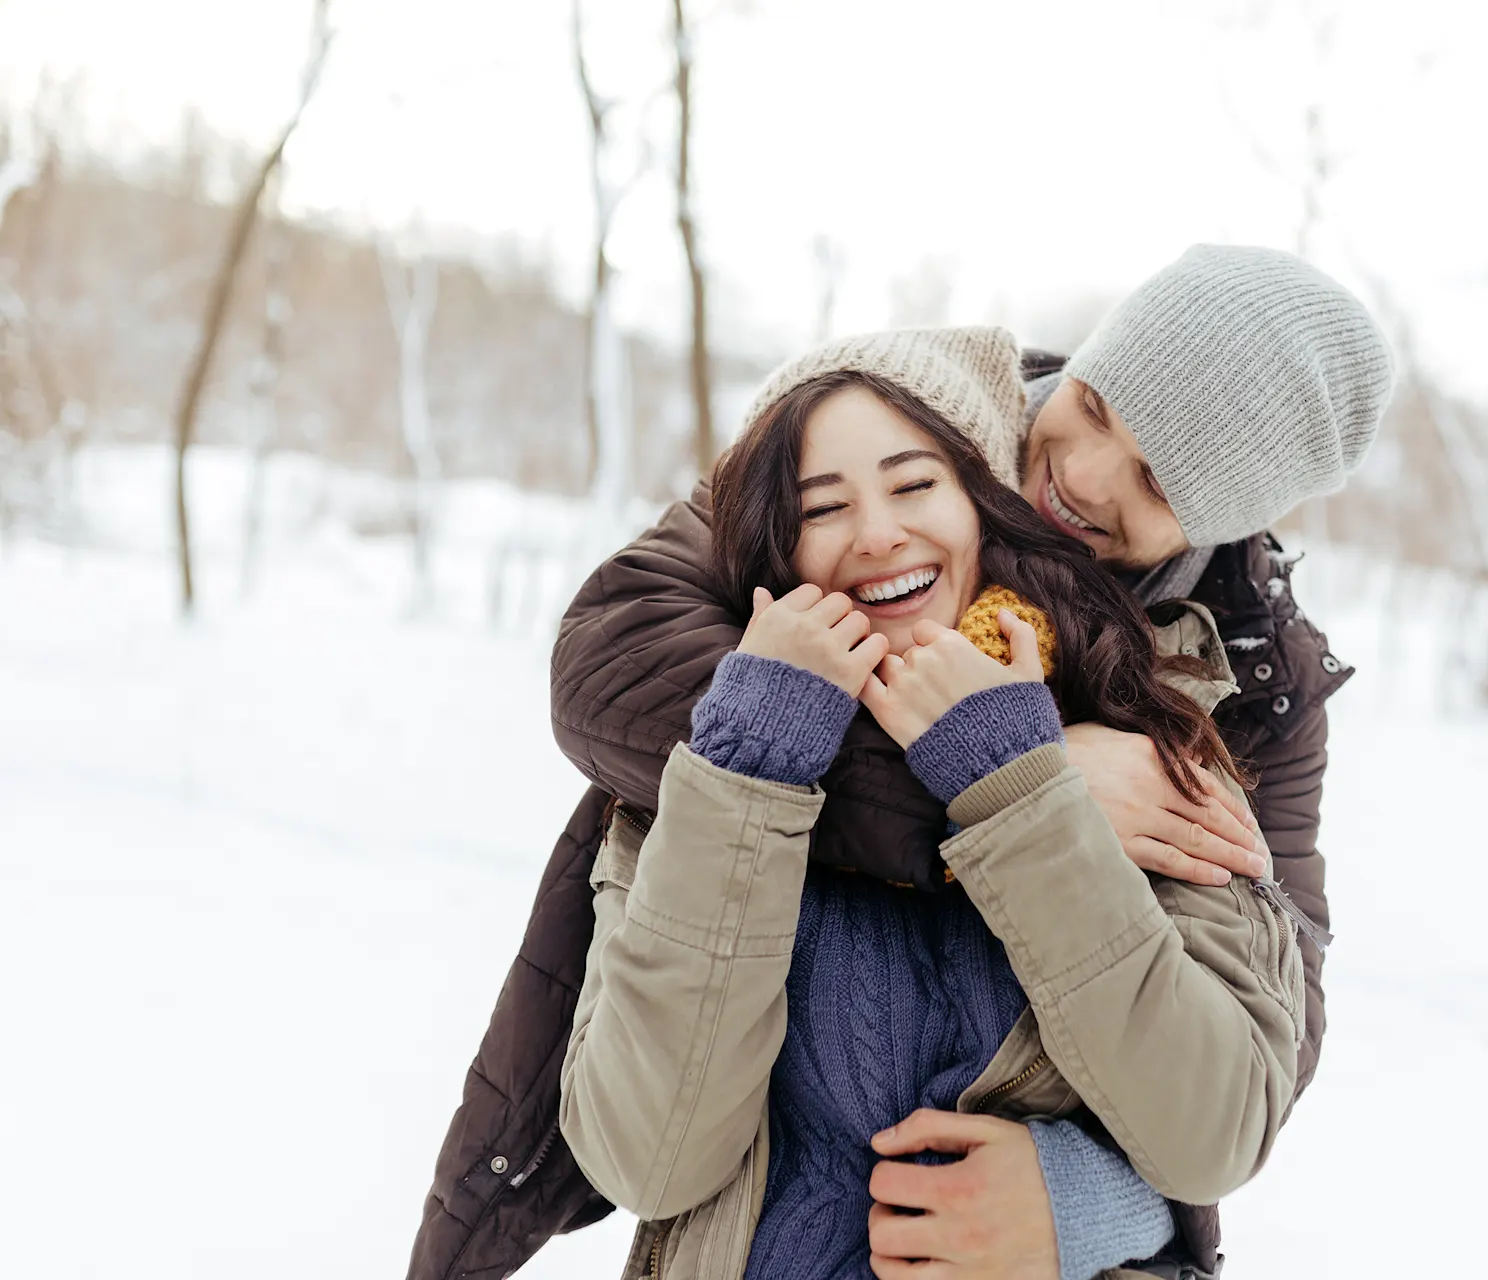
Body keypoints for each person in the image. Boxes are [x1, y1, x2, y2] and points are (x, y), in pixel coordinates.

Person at [406, 245, 1393, 1280]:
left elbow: (1264, 1038)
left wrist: (1098, 1200)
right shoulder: (895, 425)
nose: (1086, 476)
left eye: (1156, 480)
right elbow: (611, 651)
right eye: (1095, 405)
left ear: (1228, 520)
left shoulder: (1241, 684)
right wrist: (1012, 780)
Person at [558, 335, 1306, 1280]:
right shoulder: (717, 754)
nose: (875, 534)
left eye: (914, 486)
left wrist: (1018, 789)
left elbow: (1216, 1127)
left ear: (985, 506)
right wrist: (753, 768)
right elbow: (647, 1161)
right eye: (821, 507)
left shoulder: (1154, 735)